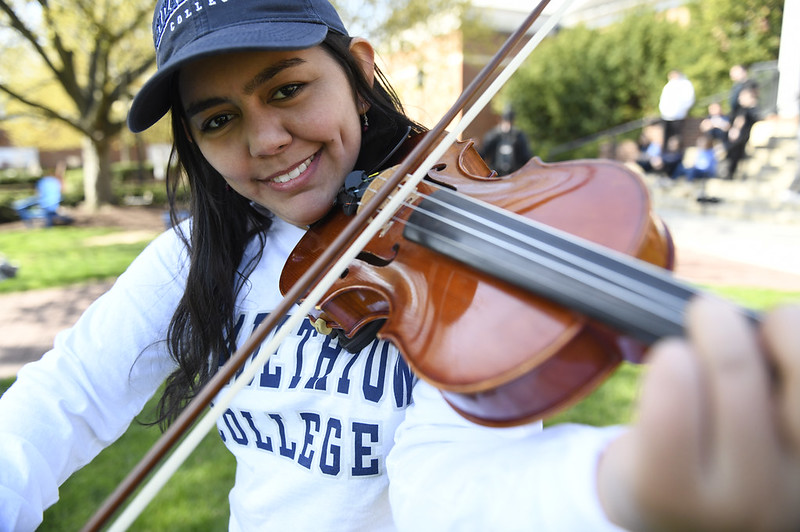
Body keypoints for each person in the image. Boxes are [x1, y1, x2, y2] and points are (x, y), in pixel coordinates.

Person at [1, 1, 799, 531]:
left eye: (286, 88)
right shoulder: (193, 263)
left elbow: (450, 486)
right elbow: (57, 404)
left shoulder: (457, 265)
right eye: (219, 119)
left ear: (359, 69)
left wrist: (623, 485)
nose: (266, 139)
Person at [479, 105, 533, 174]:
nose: (508, 125)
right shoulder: (493, 135)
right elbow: (483, 154)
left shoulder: (519, 136)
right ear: (500, 120)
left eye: (510, 122)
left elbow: (526, 157)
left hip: (513, 175)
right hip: (496, 175)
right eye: (506, 121)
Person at [724, 86, 761, 179]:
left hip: (745, 136)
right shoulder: (740, 109)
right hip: (735, 136)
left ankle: (730, 171)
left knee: (735, 146)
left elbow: (754, 120)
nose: (740, 99)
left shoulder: (753, 110)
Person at [658, 70, 695, 145]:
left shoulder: (685, 84)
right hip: (666, 115)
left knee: (677, 138)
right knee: (666, 138)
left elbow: (689, 99)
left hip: (678, 116)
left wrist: (682, 110)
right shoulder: (669, 85)